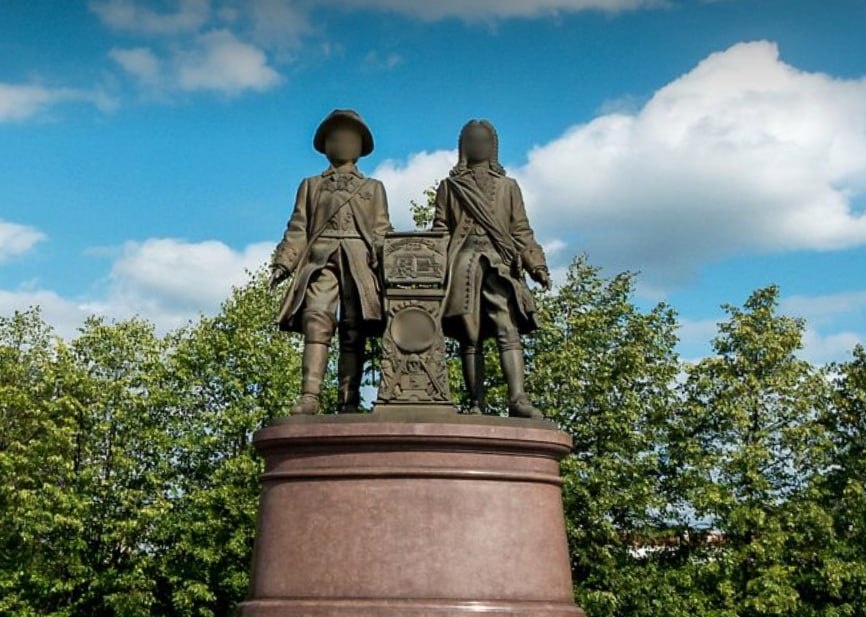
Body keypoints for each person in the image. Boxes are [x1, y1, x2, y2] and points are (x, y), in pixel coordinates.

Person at [269, 109, 391, 414]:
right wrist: (283, 263)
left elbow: (381, 231)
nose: (343, 143)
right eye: (337, 137)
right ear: (326, 145)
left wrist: (389, 261)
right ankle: (310, 396)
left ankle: (348, 401)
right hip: (320, 260)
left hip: (359, 262)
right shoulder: (310, 185)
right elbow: (298, 228)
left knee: (354, 329)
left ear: (360, 146)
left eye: (350, 138)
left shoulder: (373, 188)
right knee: (316, 319)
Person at [432, 119, 550, 418]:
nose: (478, 145)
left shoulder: (509, 187)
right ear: (463, 147)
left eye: (484, 140)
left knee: (507, 328)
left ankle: (518, 399)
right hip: (462, 263)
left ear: (493, 146)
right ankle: (475, 403)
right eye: (472, 140)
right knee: (469, 334)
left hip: (500, 262)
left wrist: (537, 264)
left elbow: (521, 230)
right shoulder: (449, 187)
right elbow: (440, 229)